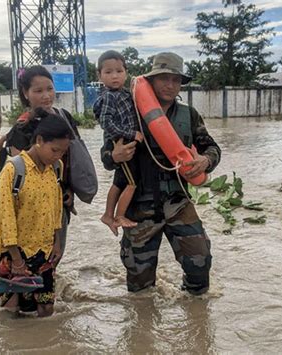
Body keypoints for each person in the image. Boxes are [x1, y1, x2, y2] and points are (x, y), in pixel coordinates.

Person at [101, 52, 221, 295]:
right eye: (163, 78)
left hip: (178, 201)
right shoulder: (128, 111)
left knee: (200, 261)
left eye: (175, 80)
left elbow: (212, 147)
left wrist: (205, 160)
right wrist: (115, 156)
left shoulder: (189, 115)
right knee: (139, 284)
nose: (170, 85)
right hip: (138, 206)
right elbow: (106, 156)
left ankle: (195, 319)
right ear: (151, 81)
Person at [0, 109, 73, 317]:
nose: (58, 156)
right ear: (39, 140)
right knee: (11, 311)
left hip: (43, 250)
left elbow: (56, 207)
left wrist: (57, 241)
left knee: (46, 308)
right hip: (11, 252)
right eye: (55, 150)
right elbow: (6, 217)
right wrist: (16, 259)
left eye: (63, 152)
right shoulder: (14, 169)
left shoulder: (56, 168)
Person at [6, 65, 83, 253]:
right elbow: (17, 175)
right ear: (25, 93)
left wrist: (70, 190)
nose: (46, 95)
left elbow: (73, 158)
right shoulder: (22, 128)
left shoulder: (64, 118)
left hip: (61, 200)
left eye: (49, 89)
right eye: (38, 91)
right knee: (32, 254)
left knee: (56, 253)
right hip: (30, 206)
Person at [93, 50, 143, 236]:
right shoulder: (109, 97)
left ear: (126, 72)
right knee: (131, 183)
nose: (114, 76)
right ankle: (119, 216)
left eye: (119, 71)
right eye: (108, 72)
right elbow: (106, 123)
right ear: (99, 75)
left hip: (126, 143)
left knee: (120, 181)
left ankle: (107, 214)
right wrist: (132, 133)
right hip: (122, 143)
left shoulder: (125, 93)